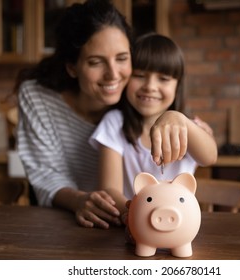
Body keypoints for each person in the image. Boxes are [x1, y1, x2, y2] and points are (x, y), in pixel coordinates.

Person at [15, 0, 133, 229]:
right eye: (96, 62)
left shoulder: (137, 94)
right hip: (61, 222)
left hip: (125, 223)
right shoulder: (37, 97)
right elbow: (45, 174)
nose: (113, 74)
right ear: (72, 67)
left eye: (121, 58)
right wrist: (79, 200)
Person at [89, 33, 218, 216]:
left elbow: (210, 157)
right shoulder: (115, 123)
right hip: (131, 221)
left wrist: (180, 119)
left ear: (177, 85)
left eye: (163, 79)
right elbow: (109, 190)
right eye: (140, 75)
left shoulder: (187, 127)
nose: (150, 86)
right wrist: (135, 216)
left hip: (180, 224)